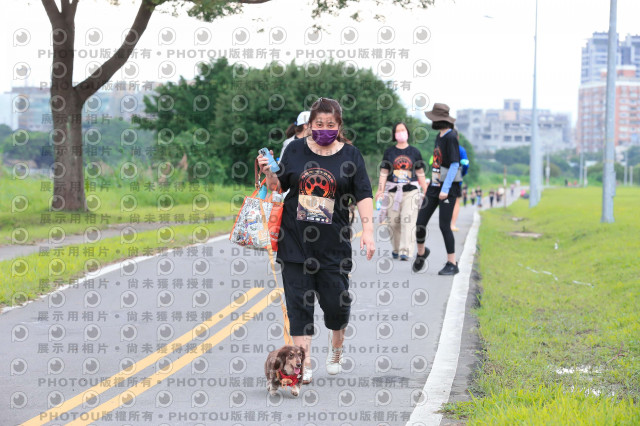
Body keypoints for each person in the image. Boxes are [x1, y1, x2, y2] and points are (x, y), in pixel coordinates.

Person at [257, 97, 375, 385]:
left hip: (334, 244)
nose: (325, 129)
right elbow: (278, 187)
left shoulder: (351, 155)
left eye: (330, 125)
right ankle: (304, 361)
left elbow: (363, 194)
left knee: (337, 305)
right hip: (294, 239)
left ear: (339, 126)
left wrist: (368, 231)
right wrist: (268, 170)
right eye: (319, 124)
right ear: (309, 125)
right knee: (299, 304)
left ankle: (337, 346)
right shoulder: (295, 149)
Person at [413, 103, 462, 276]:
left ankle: (452, 263)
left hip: (448, 189)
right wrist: (431, 187)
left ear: (440, 120)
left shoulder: (451, 137)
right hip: (434, 187)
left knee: (444, 226)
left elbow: (455, 164)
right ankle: (421, 253)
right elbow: (437, 163)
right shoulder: (439, 136)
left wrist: (445, 189)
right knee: (420, 223)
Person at [375, 122, 428, 261]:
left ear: (407, 133)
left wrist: (426, 190)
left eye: (403, 130)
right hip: (393, 190)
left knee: (408, 220)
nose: (401, 133)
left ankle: (406, 251)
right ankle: (396, 248)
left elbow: (420, 173)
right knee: (393, 223)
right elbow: (384, 173)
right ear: (394, 135)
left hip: (411, 191)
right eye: (398, 131)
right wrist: (380, 190)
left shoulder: (415, 152)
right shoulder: (389, 152)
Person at [450, 141, 469, 232]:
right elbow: (466, 164)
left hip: (442, 178)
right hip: (456, 180)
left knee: (445, 200)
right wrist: (462, 174)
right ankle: (452, 224)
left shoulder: (441, 147)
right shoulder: (460, 149)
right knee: (456, 202)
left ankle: (446, 223)